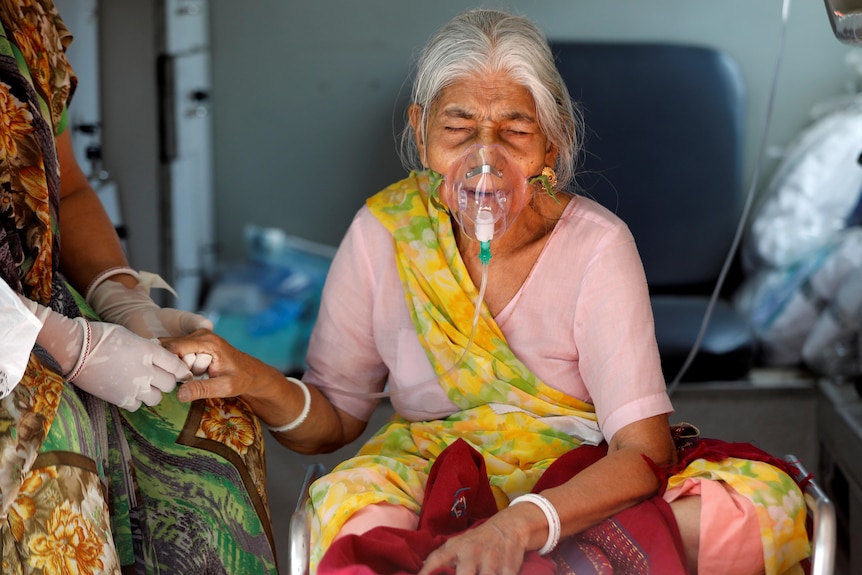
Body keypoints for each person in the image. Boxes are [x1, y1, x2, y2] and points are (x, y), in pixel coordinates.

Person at [163, 9, 810, 575]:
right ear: (421, 133)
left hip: (577, 477)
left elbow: (642, 453)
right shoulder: (386, 233)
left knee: (759, 511)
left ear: (551, 142)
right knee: (352, 524)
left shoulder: (596, 245)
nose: (484, 158)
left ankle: (535, 559)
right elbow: (335, 417)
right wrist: (258, 378)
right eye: (459, 127)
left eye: (514, 130)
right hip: (431, 468)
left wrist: (519, 525)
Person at [0, 1, 276, 572]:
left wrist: (119, 297)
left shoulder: (24, 15)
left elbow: (67, 186)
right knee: (56, 464)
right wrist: (65, 343)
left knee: (215, 423)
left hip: (46, 307)